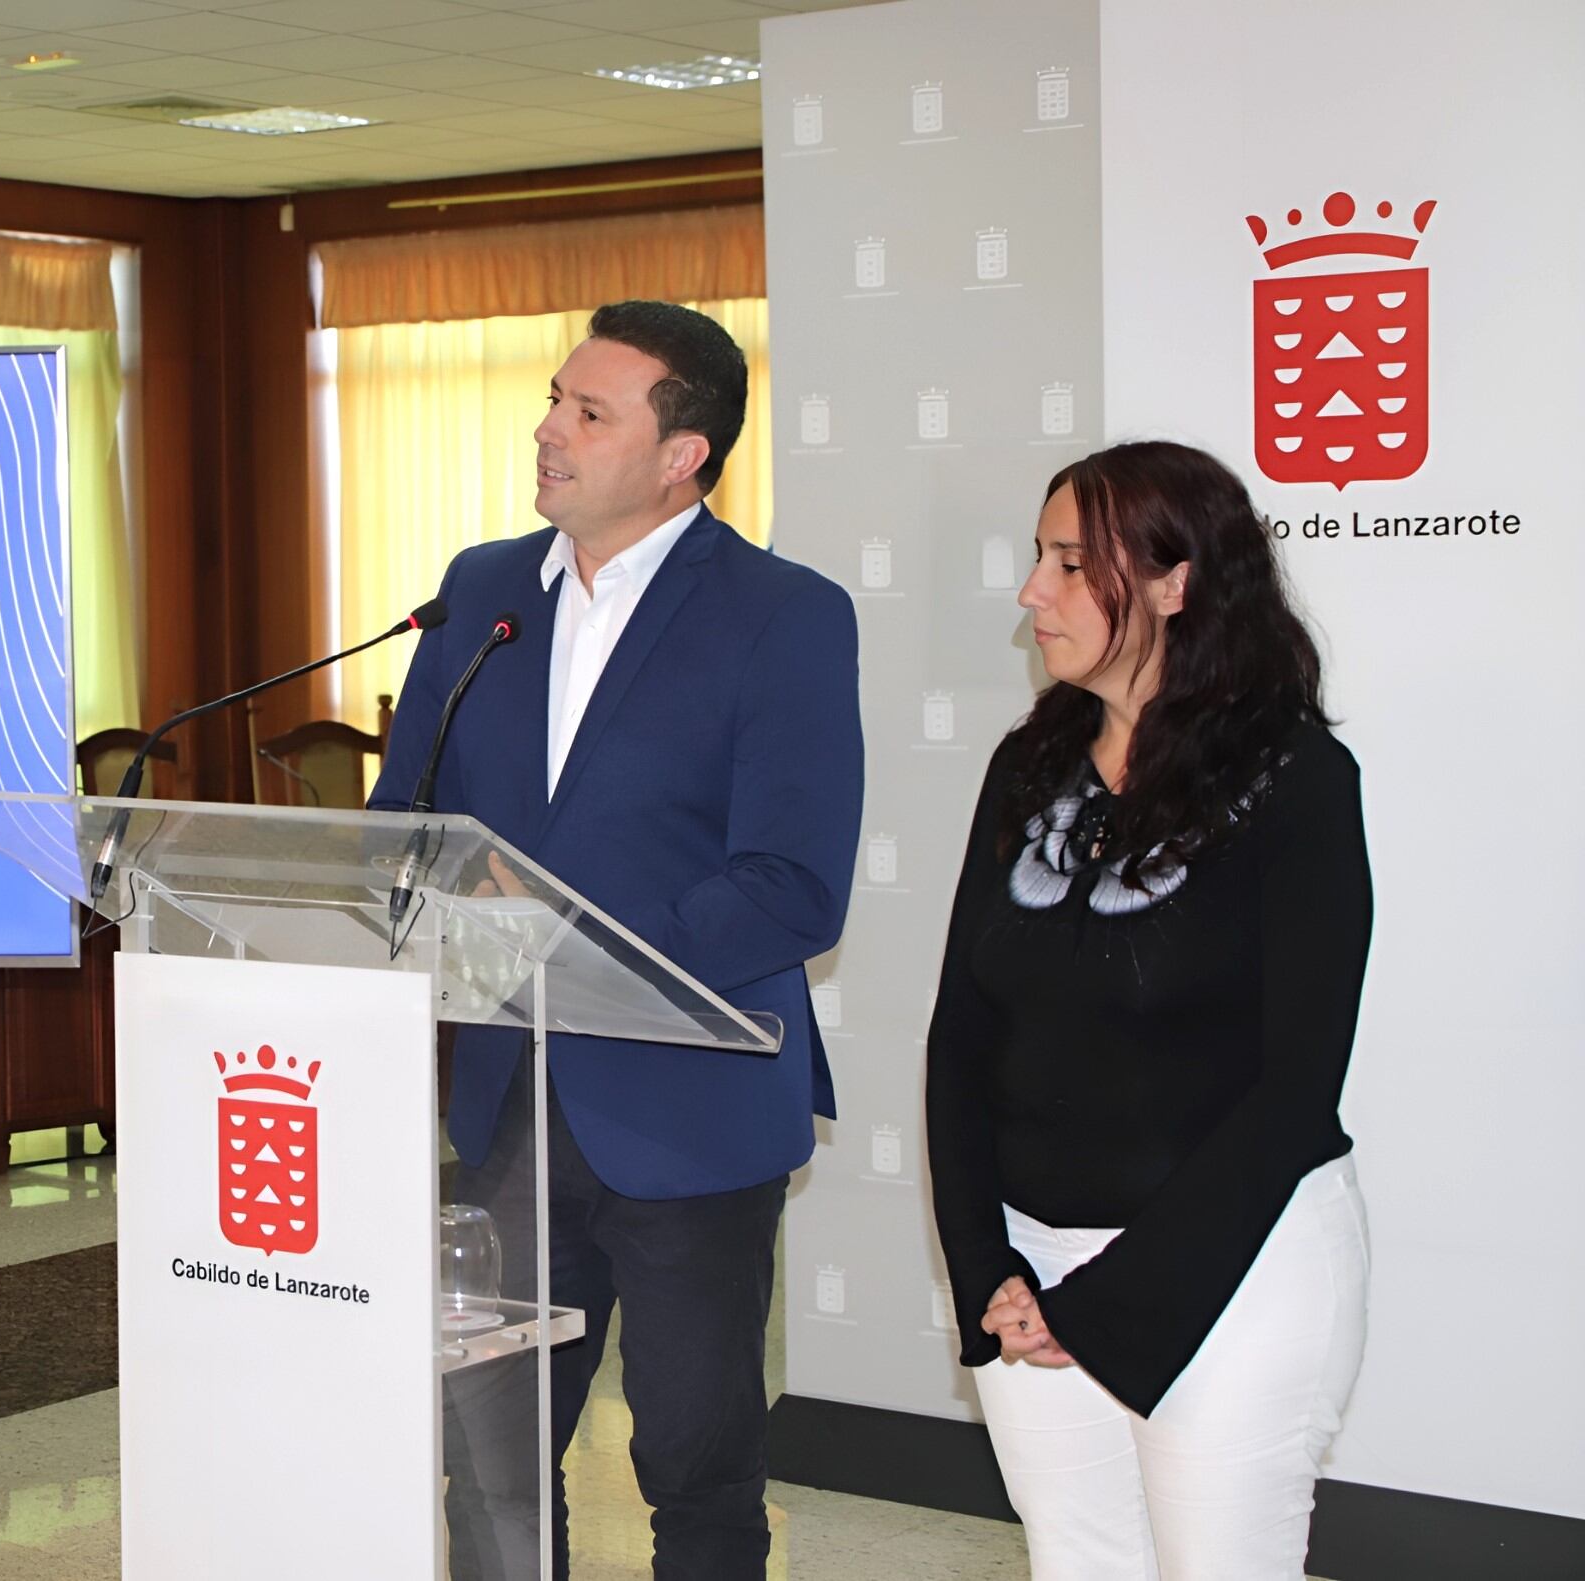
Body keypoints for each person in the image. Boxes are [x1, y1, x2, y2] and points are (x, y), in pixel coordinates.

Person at [370, 300, 862, 1578]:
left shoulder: (781, 615)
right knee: (487, 1451)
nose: (550, 432)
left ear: (682, 452)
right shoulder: (482, 591)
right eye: (552, 400)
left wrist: (567, 938)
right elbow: (401, 824)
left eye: (590, 414)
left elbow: (793, 885)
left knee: (694, 1461)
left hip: (687, 1105)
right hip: (508, 1105)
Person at [925, 441, 1373, 1579]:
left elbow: (1295, 1088)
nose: (1034, 591)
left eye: (1073, 565)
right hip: (1033, 1272)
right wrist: (987, 1268)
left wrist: (1104, 1304)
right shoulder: (1032, 765)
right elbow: (963, 1033)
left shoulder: (1297, 780)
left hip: (1237, 1269)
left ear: (1176, 583)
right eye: (1040, 558)